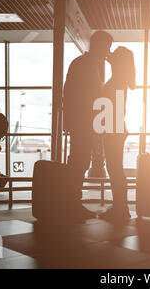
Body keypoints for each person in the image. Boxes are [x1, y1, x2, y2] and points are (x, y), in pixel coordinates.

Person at [63, 30, 113, 219]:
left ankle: (73, 202)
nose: (108, 51)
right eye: (107, 47)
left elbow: (68, 92)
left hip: (83, 122)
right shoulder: (85, 65)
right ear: (99, 46)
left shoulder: (85, 64)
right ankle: (72, 203)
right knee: (79, 162)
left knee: (79, 162)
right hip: (82, 122)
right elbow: (70, 93)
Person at [99, 46, 136, 223]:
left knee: (115, 170)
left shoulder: (116, 81)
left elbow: (115, 109)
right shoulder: (121, 80)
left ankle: (121, 208)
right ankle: (121, 207)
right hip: (117, 128)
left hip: (114, 129)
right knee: (116, 170)